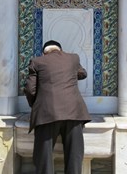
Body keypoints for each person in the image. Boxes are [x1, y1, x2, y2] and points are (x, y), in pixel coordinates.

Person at [24, 40, 91, 174]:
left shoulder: (37, 62)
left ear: (44, 52)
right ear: (60, 50)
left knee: (44, 159)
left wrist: (36, 106)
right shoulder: (73, 58)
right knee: (74, 157)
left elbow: (30, 89)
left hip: (46, 113)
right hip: (74, 112)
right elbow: (83, 73)